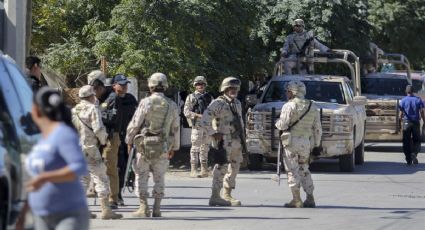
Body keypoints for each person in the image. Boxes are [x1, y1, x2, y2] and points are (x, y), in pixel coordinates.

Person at [23, 87, 89, 229]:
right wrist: (23, 215)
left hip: (68, 215)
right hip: (40, 216)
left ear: (35, 110)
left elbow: (79, 167)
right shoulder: (40, 138)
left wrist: (45, 177)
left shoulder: (63, 133)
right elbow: (33, 180)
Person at [126, 72, 180, 217]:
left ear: (151, 86)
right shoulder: (172, 104)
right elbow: (175, 128)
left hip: (144, 146)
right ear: (165, 86)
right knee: (159, 177)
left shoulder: (146, 102)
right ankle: (157, 208)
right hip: (163, 146)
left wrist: (129, 141)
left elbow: (135, 124)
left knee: (141, 175)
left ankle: (143, 207)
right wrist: (174, 147)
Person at [72, 85, 123, 219]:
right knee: (101, 177)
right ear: (91, 96)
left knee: (83, 179)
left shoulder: (74, 110)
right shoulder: (93, 108)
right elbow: (99, 128)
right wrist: (104, 140)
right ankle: (106, 210)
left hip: (77, 149)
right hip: (90, 149)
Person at [275, 81, 322, 208]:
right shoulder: (313, 106)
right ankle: (310, 197)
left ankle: (296, 199)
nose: (287, 93)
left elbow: (283, 125)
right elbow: (317, 128)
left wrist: (277, 122)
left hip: (291, 142)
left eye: (288, 91)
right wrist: (317, 144)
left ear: (292, 92)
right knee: (304, 169)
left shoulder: (289, 106)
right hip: (306, 143)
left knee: (292, 170)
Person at [200, 77, 245, 206]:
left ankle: (227, 194)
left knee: (235, 168)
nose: (233, 90)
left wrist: (243, 140)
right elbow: (204, 120)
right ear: (224, 89)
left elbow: (240, 122)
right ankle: (215, 196)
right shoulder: (218, 103)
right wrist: (213, 133)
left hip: (236, 140)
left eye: (235, 88)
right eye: (230, 88)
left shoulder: (237, 103)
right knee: (221, 168)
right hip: (224, 141)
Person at [100, 74, 138, 208]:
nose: (124, 86)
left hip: (127, 138)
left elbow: (137, 118)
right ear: (114, 86)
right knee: (113, 167)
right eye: (121, 84)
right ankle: (114, 196)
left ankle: (119, 193)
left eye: (125, 84)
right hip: (113, 137)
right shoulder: (109, 99)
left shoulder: (131, 99)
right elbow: (102, 117)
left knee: (125, 167)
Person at [184, 76, 214, 177]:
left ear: (205, 85)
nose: (200, 86)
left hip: (207, 126)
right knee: (195, 147)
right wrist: (197, 115)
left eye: (202, 84)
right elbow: (186, 112)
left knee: (205, 147)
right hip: (197, 125)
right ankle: (193, 169)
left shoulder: (209, 97)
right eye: (198, 84)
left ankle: (204, 169)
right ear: (195, 86)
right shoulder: (191, 97)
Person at [399, 85, 425, 165]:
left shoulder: (403, 100)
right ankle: (414, 153)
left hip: (406, 122)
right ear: (413, 91)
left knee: (406, 141)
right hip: (415, 123)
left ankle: (408, 159)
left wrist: (399, 123)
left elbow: (401, 114)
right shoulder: (418, 100)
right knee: (417, 140)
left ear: (406, 91)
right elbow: (421, 112)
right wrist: (424, 121)